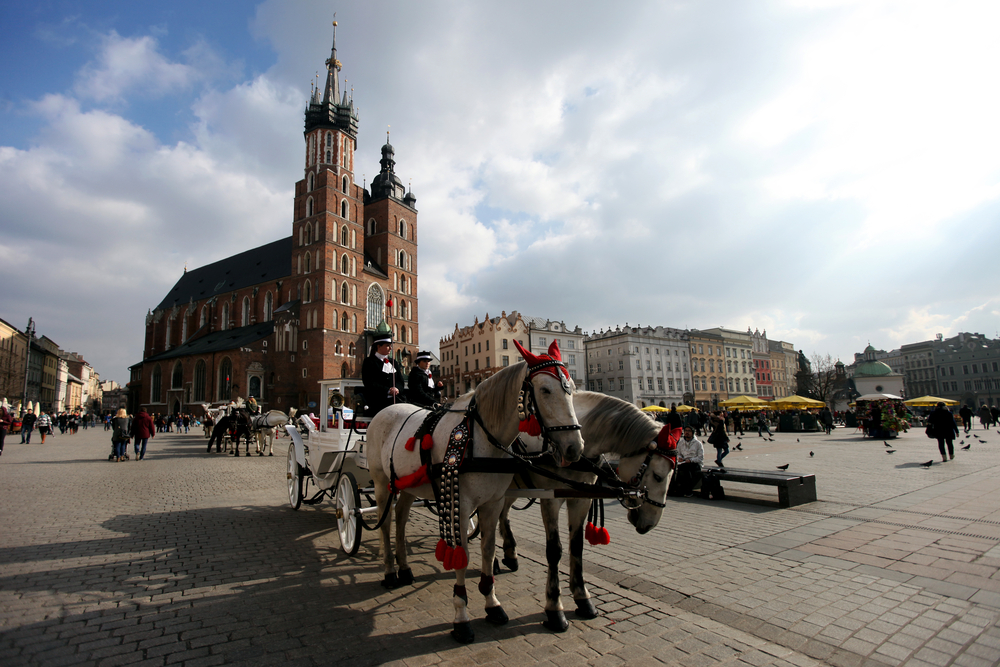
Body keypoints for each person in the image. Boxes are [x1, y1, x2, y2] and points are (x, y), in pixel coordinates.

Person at [361, 335, 405, 417]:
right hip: (378, 401)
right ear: (379, 346)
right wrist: (388, 390)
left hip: (396, 399)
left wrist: (397, 389)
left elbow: (400, 381)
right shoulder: (369, 362)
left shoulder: (393, 362)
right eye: (387, 346)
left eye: (390, 346)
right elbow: (369, 382)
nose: (390, 348)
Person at [669, 426, 704, 497]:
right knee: (677, 468)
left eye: (689, 431)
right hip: (683, 463)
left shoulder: (698, 443)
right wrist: (680, 458)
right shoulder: (681, 442)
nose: (687, 432)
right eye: (685, 431)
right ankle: (676, 489)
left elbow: (700, 457)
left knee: (684, 469)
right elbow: (678, 453)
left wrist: (691, 460)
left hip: (695, 463)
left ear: (692, 433)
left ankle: (687, 490)